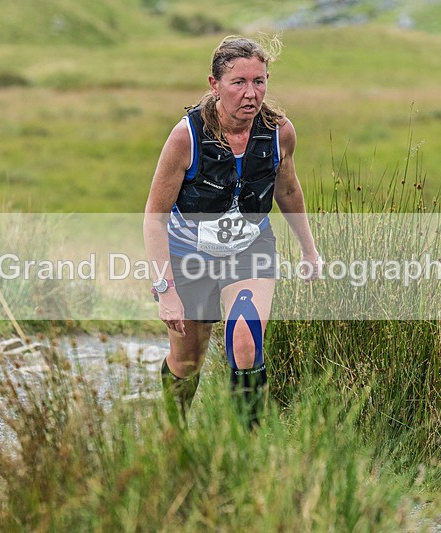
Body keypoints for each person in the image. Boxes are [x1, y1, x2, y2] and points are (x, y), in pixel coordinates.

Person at [143, 35, 320, 429]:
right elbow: (155, 217)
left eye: (259, 81)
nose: (250, 93)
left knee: (245, 340)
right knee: (187, 362)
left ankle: (247, 448)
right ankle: (173, 434)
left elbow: (287, 190)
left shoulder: (279, 132)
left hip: (250, 250)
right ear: (215, 84)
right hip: (189, 256)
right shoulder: (186, 137)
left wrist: (310, 251)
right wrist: (165, 290)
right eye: (239, 82)